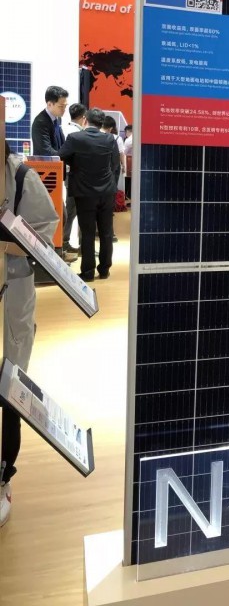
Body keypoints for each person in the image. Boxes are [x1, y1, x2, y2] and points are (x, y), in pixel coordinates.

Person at [1, 141, 59, 526]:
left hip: (12, 297)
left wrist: (7, 245)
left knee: (9, 387)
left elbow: (43, 235)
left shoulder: (21, 177)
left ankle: (3, 475)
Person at [58, 108, 120, 282]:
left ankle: (88, 272)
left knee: (87, 233)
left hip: (84, 192)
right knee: (106, 232)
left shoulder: (75, 138)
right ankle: (105, 270)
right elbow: (115, 163)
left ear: (85, 120)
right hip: (107, 191)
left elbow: (61, 156)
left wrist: (76, 163)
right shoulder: (110, 139)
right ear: (102, 123)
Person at [62, 104, 87, 254]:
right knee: (77, 211)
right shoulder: (78, 134)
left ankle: (65, 242)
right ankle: (79, 245)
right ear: (83, 118)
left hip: (69, 176)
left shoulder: (64, 129)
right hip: (78, 176)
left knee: (70, 210)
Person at [31, 86, 68, 156]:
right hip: (46, 162)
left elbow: (61, 144)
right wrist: (64, 156)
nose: (64, 109)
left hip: (57, 161)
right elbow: (46, 150)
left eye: (65, 106)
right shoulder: (40, 122)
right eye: (61, 106)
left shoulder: (58, 118)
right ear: (49, 104)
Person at [123, 125, 133, 203]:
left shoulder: (128, 140)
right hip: (136, 160)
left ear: (128, 131)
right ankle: (129, 197)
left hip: (129, 160)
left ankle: (127, 197)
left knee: (127, 179)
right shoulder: (138, 137)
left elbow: (124, 152)